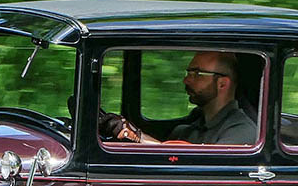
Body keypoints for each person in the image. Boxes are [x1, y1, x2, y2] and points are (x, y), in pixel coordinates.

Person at [100, 51, 258, 145]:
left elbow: (202, 167)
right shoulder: (186, 131)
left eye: (196, 74)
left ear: (222, 84)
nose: (186, 80)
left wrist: (137, 137)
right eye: (188, 73)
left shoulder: (243, 132)